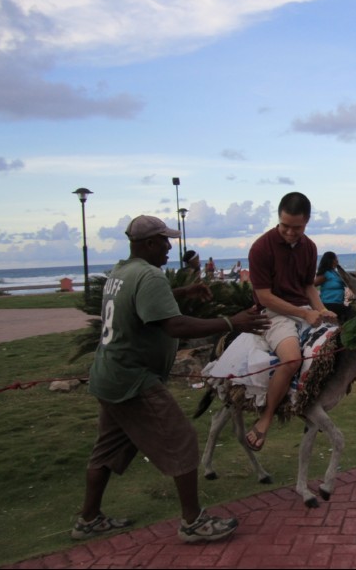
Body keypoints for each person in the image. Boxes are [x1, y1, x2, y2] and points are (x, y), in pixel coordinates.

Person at [74, 215, 271, 544]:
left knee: (107, 450)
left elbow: (146, 299)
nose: (169, 247)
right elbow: (174, 326)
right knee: (181, 440)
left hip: (108, 376)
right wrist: (230, 321)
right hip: (133, 380)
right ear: (149, 243)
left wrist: (185, 290)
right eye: (164, 241)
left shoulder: (122, 272)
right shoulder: (149, 276)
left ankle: (88, 519)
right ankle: (193, 522)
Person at [246, 193, 338, 452]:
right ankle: (265, 417)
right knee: (291, 359)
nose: (289, 232)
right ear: (278, 218)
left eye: (296, 227)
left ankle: (314, 400)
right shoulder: (261, 248)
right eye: (285, 225)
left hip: (303, 308)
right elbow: (265, 297)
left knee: (339, 343)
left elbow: (308, 285)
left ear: (307, 221)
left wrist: (321, 309)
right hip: (272, 313)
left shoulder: (309, 247)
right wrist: (305, 314)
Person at [314, 251, 350, 323]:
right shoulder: (325, 273)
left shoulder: (335, 272)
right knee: (350, 312)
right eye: (336, 258)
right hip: (328, 304)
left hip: (338, 304)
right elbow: (311, 286)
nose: (337, 260)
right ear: (331, 260)